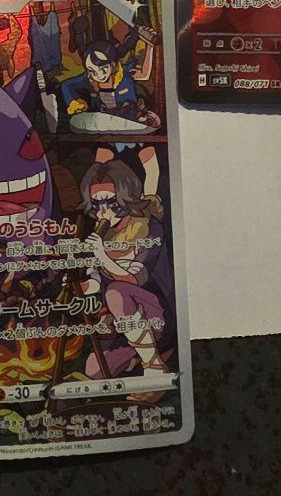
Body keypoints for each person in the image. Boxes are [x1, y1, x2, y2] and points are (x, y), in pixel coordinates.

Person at [78, 160, 175, 401]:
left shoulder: (149, 228)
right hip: (126, 324)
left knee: (117, 292)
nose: (103, 211)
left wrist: (102, 254)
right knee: (94, 369)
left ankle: (155, 369)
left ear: (126, 197)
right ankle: (147, 353)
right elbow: (97, 281)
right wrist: (79, 287)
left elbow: (133, 279)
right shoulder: (104, 234)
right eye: (96, 204)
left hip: (159, 314)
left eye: (109, 202)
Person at [61, 12, 160, 198]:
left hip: (133, 125)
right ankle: (100, 204)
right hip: (108, 129)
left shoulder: (125, 74)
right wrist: (73, 102)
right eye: (92, 70)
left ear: (113, 65)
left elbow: (144, 73)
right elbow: (66, 85)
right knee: (98, 170)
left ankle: (149, 202)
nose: (97, 74)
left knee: (151, 166)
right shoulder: (89, 79)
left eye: (102, 68)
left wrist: (149, 46)